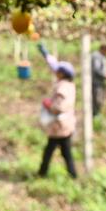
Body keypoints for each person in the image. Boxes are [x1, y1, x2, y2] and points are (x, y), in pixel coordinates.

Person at [37, 43, 77, 179]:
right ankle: (72, 175)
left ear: (62, 74)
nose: (55, 72)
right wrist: (45, 54)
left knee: (53, 151)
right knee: (64, 152)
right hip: (65, 125)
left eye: (58, 71)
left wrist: (49, 105)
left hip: (60, 126)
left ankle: (43, 174)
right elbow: (54, 65)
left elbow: (59, 107)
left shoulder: (63, 88)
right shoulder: (69, 84)